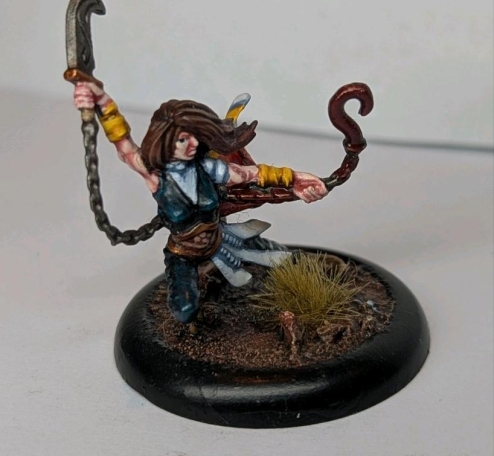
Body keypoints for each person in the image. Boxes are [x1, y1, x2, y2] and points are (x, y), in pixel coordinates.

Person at [73, 83, 328, 324]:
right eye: (183, 139)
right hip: (183, 254)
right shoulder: (156, 176)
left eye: (196, 137)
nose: (193, 145)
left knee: (286, 259)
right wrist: (99, 98)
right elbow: (124, 146)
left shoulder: (208, 168)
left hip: (224, 239)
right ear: (165, 139)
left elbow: (253, 174)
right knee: (184, 310)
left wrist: (296, 180)